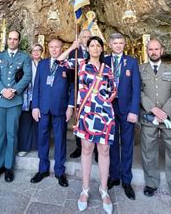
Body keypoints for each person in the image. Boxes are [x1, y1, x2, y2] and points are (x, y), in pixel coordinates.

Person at [58, 36, 116, 214]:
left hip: (104, 115)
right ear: (88, 48)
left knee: (104, 150)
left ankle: (104, 190)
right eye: (92, 45)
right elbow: (59, 62)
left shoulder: (107, 69)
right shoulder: (80, 64)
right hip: (86, 114)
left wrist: (103, 101)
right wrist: (73, 46)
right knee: (87, 149)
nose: (95, 48)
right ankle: (85, 189)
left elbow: (113, 89)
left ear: (101, 49)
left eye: (98, 45)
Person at [139, 39, 171, 205]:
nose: (154, 52)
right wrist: (153, 109)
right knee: (148, 151)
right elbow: (138, 92)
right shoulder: (140, 69)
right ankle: (151, 183)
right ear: (147, 51)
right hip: (149, 117)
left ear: (162, 51)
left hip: (169, 118)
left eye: (156, 49)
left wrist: (164, 113)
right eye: (150, 49)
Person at [0, 31, 32, 183]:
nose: (12, 41)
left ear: (19, 41)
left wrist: (14, 90)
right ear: (7, 40)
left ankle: (9, 167)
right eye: (10, 39)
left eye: (15, 39)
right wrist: (3, 90)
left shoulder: (25, 57)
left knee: (11, 133)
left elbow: (27, 76)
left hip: (14, 101)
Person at [30, 39, 74, 187]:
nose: (54, 50)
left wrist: (70, 106)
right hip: (43, 107)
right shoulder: (42, 64)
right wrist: (35, 106)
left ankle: (60, 171)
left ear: (62, 48)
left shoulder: (67, 65)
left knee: (60, 138)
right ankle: (42, 169)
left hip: (60, 107)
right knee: (42, 138)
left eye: (57, 47)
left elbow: (73, 87)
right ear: (48, 49)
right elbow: (36, 87)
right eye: (51, 47)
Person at [104, 33, 141, 200]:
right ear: (110, 44)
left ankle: (127, 180)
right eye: (115, 43)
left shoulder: (131, 62)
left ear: (124, 44)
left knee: (127, 144)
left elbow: (136, 88)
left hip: (126, 109)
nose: (118, 45)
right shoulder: (104, 61)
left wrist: (134, 110)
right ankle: (114, 176)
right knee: (111, 143)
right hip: (109, 108)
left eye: (121, 43)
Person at [69, 29, 92, 159]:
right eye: (84, 37)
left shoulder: (97, 50)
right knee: (78, 119)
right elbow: (71, 73)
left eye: (89, 36)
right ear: (80, 38)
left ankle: (94, 150)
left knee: (92, 119)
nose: (87, 39)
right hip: (79, 90)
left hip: (94, 92)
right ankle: (79, 146)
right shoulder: (74, 52)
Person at [17, 44, 41, 156]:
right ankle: (24, 147)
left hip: (41, 97)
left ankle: (37, 145)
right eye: (33, 50)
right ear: (30, 52)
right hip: (27, 96)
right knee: (25, 122)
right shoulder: (26, 64)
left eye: (38, 50)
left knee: (39, 121)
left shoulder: (45, 64)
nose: (36, 52)